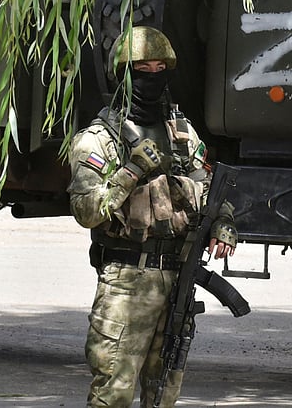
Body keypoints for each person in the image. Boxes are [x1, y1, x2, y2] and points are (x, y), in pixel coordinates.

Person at [66, 26, 238, 407]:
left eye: (161, 68)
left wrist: (224, 223)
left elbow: (207, 186)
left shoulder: (181, 133)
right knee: (114, 393)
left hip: (179, 277)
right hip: (127, 282)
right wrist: (130, 171)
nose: (153, 76)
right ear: (124, 75)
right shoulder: (98, 139)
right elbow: (86, 211)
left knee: (164, 394)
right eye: (143, 68)